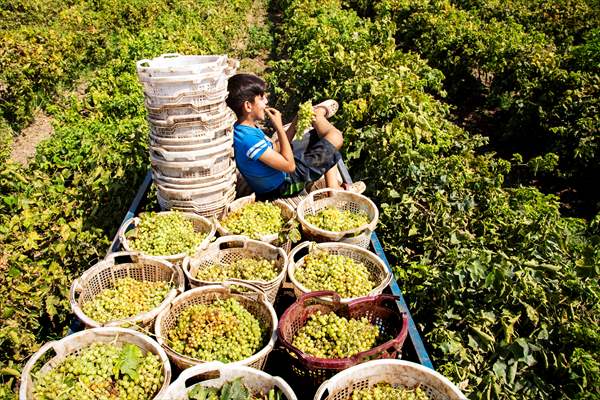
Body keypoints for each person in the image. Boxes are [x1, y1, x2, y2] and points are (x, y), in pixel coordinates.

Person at [226, 73, 358, 200]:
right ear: (248, 106)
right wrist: (279, 127)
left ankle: (332, 189)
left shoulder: (244, 129)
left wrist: (295, 122)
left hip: (278, 177)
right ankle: (318, 114)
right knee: (335, 137)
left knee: (318, 137)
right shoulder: (248, 140)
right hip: (284, 186)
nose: (266, 101)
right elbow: (290, 166)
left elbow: (276, 148)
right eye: (261, 98)